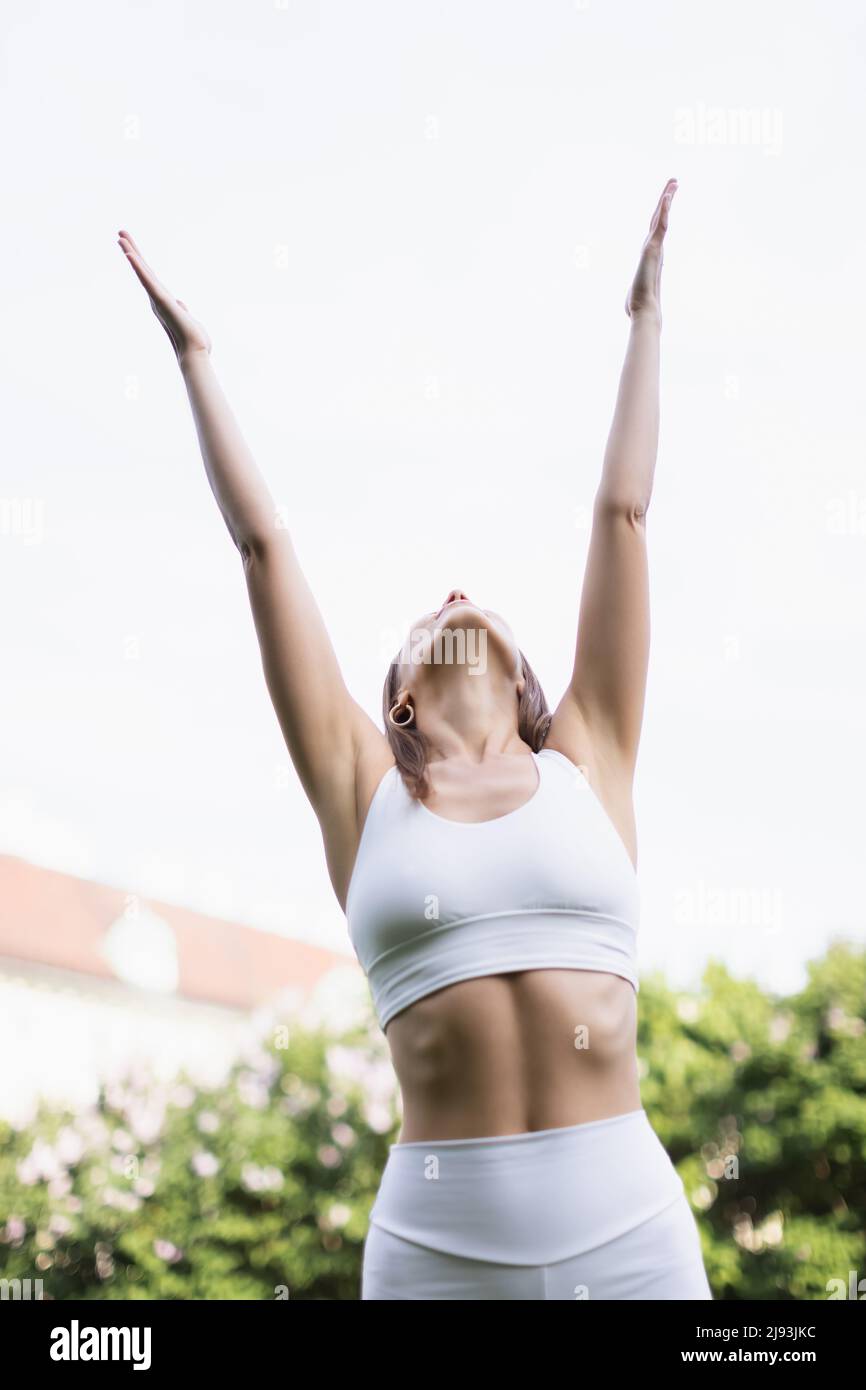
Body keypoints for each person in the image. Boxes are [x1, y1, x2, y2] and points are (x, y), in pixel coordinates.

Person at [118, 176, 712, 1299]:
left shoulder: (587, 754)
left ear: (524, 676)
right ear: (395, 696)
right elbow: (263, 551)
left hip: (628, 1231)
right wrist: (196, 359)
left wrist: (644, 316)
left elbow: (622, 510)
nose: (452, 592)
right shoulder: (361, 789)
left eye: (471, 598)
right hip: (440, 1254)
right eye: (429, 609)